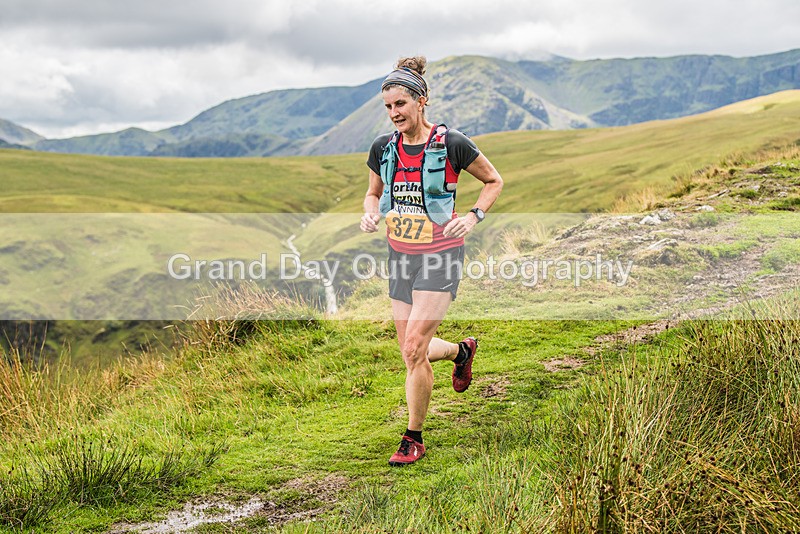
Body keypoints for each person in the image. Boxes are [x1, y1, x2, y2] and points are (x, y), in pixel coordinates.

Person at [360, 56, 503, 466]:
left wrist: (473, 217)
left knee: (413, 345)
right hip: (400, 256)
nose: (394, 114)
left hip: (440, 255)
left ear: (421, 101)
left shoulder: (452, 143)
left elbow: (494, 180)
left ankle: (414, 437)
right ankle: (461, 352)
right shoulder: (383, 149)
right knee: (410, 353)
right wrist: (370, 212)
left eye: (400, 104)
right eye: (388, 107)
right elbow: (373, 192)